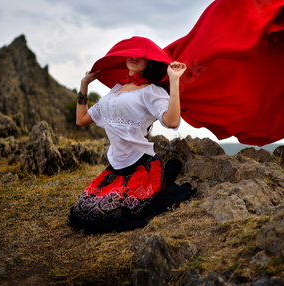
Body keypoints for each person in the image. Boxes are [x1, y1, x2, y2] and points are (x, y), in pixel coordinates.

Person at [68, 38, 194, 233]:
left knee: (107, 217)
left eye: (142, 56)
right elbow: (82, 119)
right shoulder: (115, 91)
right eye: (131, 53)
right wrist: (84, 84)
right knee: (82, 212)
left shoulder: (151, 91)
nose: (135, 57)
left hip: (142, 165)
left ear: (150, 62)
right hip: (115, 167)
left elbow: (172, 122)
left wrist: (175, 80)